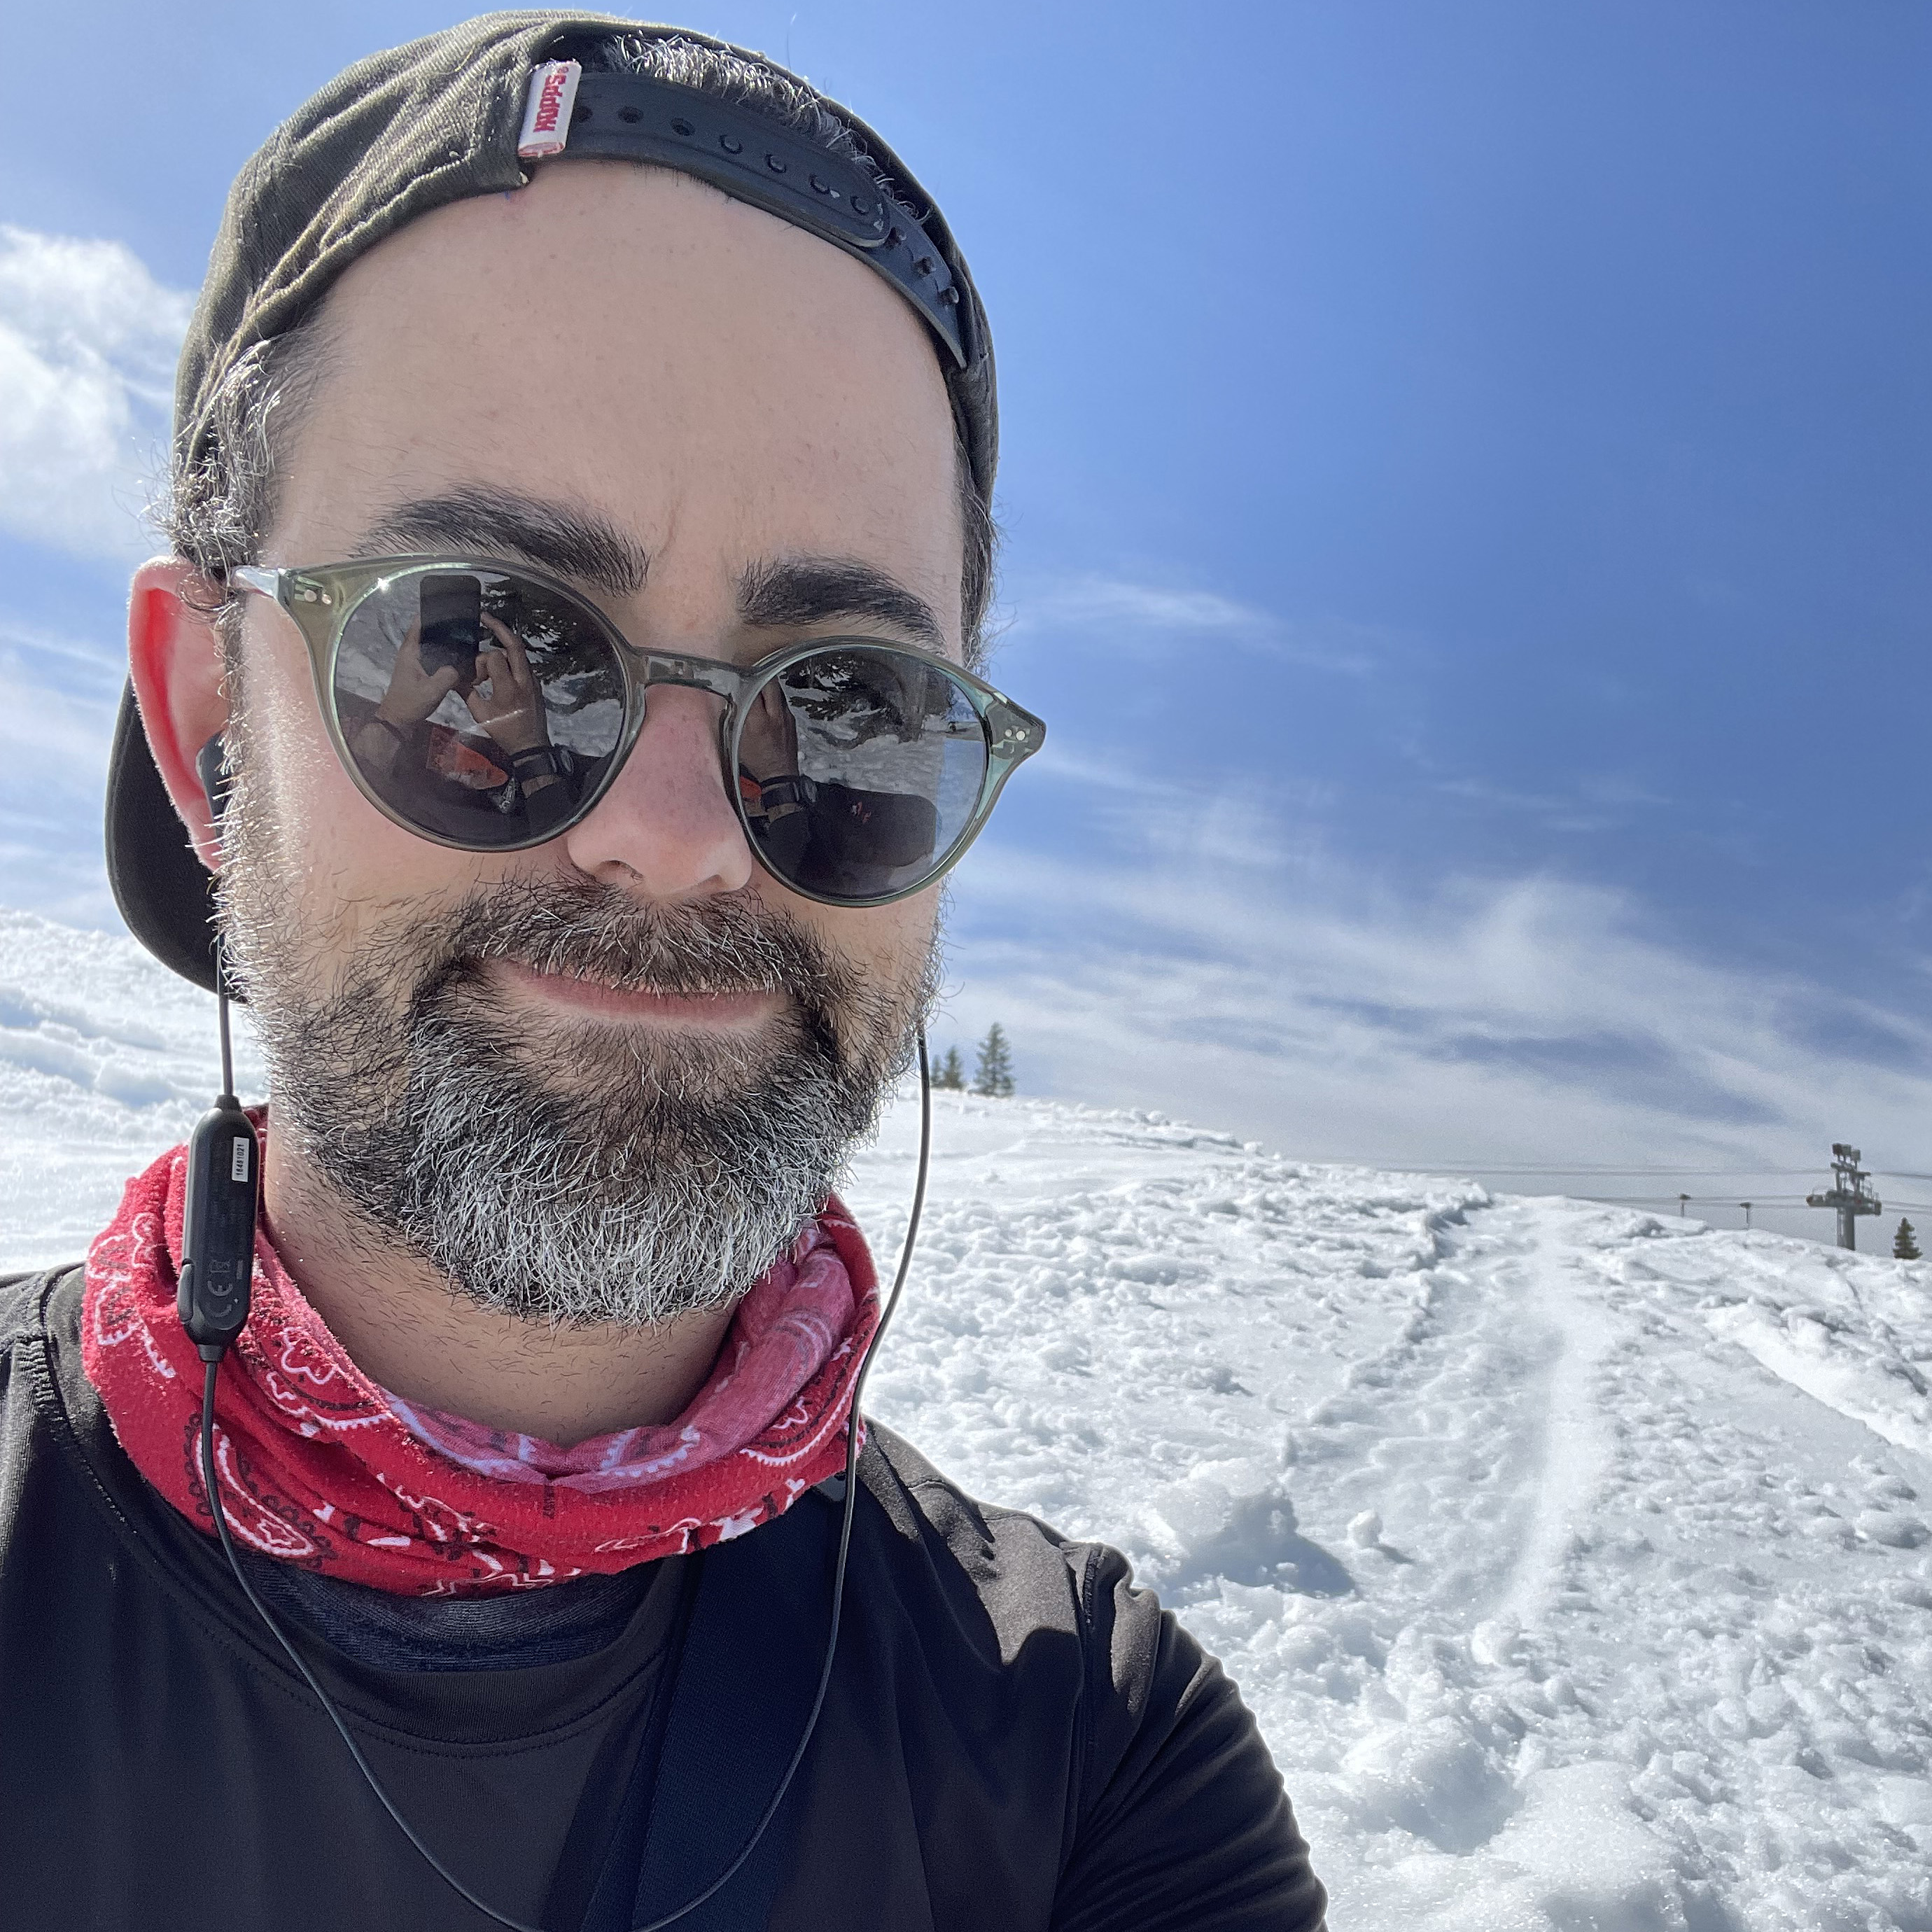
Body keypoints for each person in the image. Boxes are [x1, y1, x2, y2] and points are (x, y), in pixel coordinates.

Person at [0, 15, 1328, 1929]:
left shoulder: (1083, 1762)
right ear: (211, 708)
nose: (682, 836)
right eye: (479, 653)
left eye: (849, 714)